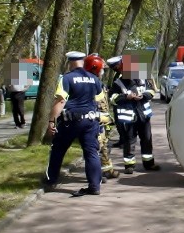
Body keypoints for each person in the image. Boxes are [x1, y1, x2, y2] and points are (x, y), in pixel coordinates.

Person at [41, 51, 104, 197]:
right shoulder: (94, 79)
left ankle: (51, 179)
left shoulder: (67, 78)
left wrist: (52, 121)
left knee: (58, 149)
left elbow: (61, 101)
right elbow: (100, 100)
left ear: (70, 62)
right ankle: (94, 186)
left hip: (71, 122)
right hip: (91, 121)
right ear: (83, 62)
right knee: (91, 153)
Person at [107, 55, 161, 173]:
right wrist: (126, 96)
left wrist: (143, 96)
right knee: (129, 141)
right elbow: (112, 98)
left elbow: (152, 91)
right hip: (128, 118)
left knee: (147, 139)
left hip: (144, 116)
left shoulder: (142, 79)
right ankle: (129, 165)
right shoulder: (118, 83)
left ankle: (149, 164)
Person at [83, 53, 117, 179]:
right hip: (94, 121)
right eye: (102, 68)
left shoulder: (96, 82)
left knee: (103, 146)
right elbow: (98, 104)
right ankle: (96, 175)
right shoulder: (91, 83)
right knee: (95, 148)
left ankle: (107, 170)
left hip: (101, 120)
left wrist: (107, 121)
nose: (103, 71)